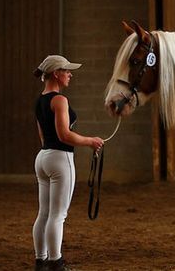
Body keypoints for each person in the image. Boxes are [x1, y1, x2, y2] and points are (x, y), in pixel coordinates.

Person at [32, 55, 104, 271]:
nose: (70, 74)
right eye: (67, 71)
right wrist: (90, 141)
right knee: (58, 215)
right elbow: (64, 135)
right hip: (60, 158)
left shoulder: (39, 101)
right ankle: (56, 262)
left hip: (43, 158)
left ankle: (40, 260)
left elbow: (43, 136)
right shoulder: (60, 100)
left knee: (44, 213)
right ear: (56, 73)